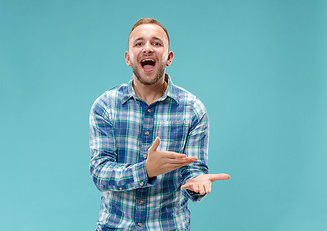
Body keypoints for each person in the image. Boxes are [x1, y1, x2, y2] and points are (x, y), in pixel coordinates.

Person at [89, 18, 230, 230]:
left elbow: (193, 170)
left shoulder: (193, 109)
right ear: (128, 58)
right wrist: (145, 170)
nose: (147, 48)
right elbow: (100, 173)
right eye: (139, 43)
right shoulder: (105, 106)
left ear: (168, 57)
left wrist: (196, 184)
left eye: (156, 43)